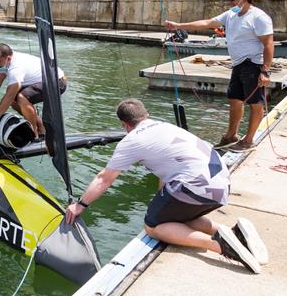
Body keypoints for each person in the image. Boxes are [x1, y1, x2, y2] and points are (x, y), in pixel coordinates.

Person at [65, 98, 268, 274]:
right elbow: (167, 174)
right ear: (146, 115)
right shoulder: (165, 126)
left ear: (124, 125)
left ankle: (220, 246)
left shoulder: (132, 141)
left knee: (153, 226)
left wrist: (80, 205)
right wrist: (164, 204)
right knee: (177, 217)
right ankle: (231, 232)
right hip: (222, 183)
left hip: (195, 185)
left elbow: (104, 178)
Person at [166, 0, 274, 152]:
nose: (229, 3)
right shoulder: (231, 14)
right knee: (234, 100)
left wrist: (265, 71)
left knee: (255, 103)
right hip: (238, 63)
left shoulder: (259, 17)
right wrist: (179, 26)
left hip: (253, 64)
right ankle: (231, 135)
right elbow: (207, 23)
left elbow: (268, 44)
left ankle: (249, 140)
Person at [0, 43, 67, 138]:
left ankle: (33, 133)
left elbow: (9, 96)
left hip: (57, 82)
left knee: (21, 97)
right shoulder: (4, 62)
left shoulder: (16, 68)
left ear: (8, 58)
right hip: (43, 80)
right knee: (15, 100)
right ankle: (42, 128)